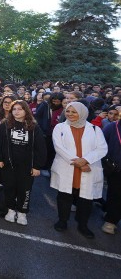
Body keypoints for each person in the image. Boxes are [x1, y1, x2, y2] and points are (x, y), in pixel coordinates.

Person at [51, 102, 107, 238]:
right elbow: (59, 148)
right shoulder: (60, 127)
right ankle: (62, 221)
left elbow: (102, 148)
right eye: (68, 111)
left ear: (82, 113)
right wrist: (80, 163)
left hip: (88, 168)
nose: (70, 114)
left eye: (74, 112)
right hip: (69, 167)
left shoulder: (94, 129)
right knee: (64, 196)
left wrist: (86, 160)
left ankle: (83, 225)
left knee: (86, 200)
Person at [0, 100, 46, 225]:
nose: (16, 111)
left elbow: (40, 148)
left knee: (24, 189)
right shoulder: (5, 124)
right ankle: (10, 209)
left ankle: (22, 212)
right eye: (14, 109)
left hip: (26, 167)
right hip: (8, 165)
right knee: (9, 188)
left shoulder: (33, 126)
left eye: (20, 109)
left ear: (26, 110)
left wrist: (37, 166)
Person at [102, 118, 121, 234]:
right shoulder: (113, 127)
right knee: (115, 193)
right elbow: (101, 144)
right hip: (116, 168)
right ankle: (111, 220)